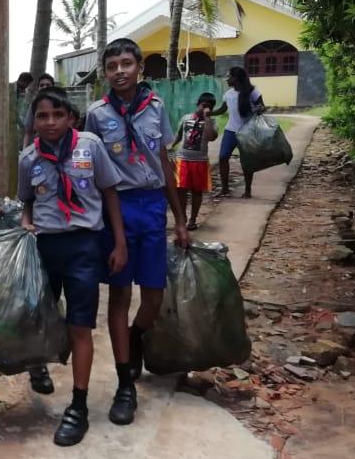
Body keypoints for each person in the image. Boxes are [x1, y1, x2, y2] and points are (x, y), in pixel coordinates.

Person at [84, 38, 190, 424]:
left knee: (153, 296)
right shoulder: (96, 113)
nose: (119, 72)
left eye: (126, 64)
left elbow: (164, 162)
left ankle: (135, 336)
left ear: (140, 67)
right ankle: (124, 383)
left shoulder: (156, 108)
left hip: (150, 207)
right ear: (105, 72)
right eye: (112, 66)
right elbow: (91, 168)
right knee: (118, 296)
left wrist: (179, 219)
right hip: (116, 210)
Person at [19, 89, 127, 445]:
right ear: (34, 121)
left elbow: (110, 193)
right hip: (47, 246)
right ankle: (38, 363)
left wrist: (119, 243)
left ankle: (78, 407)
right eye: (42, 116)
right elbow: (28, 202)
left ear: (71, 118)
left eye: (57, 115)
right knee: (44, 317)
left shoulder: (90, 146)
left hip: (84, 246)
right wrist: (25, 219)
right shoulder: (29, 159)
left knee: (80, 327)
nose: (50, 123)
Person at [215, 66, 265, 198]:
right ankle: (225, 188)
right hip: (230, 130)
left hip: (247, 132)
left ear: (235, 78)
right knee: (223, 157)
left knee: (246, 161)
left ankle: (248, 190)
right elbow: (222, 110)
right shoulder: (228, 94)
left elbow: (262, 106)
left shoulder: (252, 91)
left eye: (228, 77)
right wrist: (208, 113)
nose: (226, 79)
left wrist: (260, 109)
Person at [170, 92, 218, 230]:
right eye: (203, 106)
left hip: (200, 161)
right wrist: (171, 146)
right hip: (183, 159)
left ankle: (193, 219)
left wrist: (207, 118)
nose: (205, 109)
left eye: (209, 107)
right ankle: (182, 216)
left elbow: (211, 137)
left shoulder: (211, 122)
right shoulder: (186, 118)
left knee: (197, 191)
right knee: (181, 190)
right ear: (198, 104)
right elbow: (179, 135)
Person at [23, 73, 57, 147]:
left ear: (53, 87)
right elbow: (27, 132)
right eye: (42, 85)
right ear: (38, 88)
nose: (45, 87)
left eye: (48, 85)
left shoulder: (60, 104)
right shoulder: (33, 106)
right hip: (38, 147)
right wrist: (24, 150)